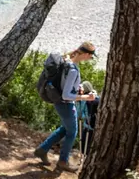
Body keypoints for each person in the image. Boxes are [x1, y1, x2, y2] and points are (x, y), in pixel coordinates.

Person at [33, 42, 99, 172]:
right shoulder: (73, 69)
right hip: (65, 105)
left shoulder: (67, 61)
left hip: (60, 103)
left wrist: (77, 87)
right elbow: (66, 95)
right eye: (90, 56)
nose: (90, 59)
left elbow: (65, 84)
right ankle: (63, 161)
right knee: (72, 133)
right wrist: (86, 97)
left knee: (65, 129)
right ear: (85, 54)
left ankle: (42, 150)